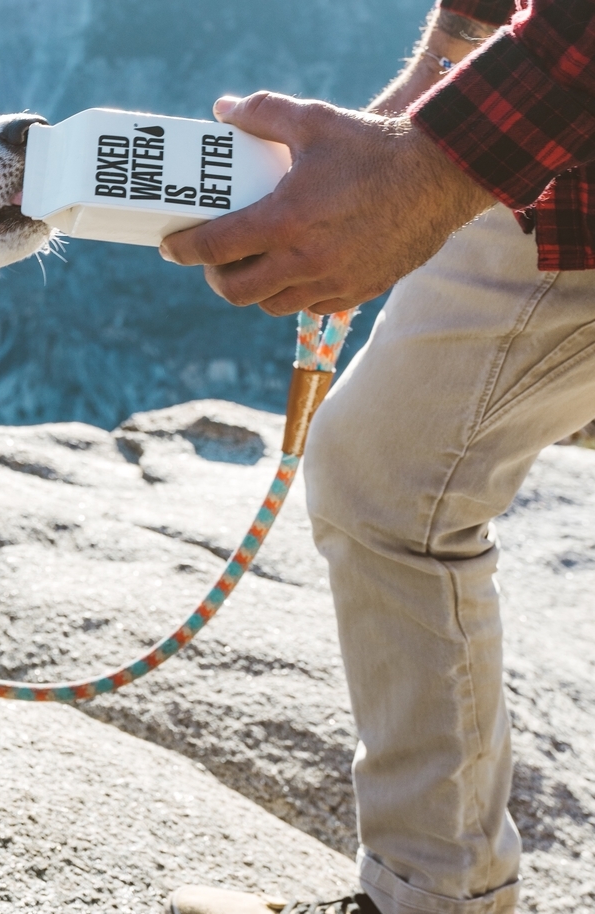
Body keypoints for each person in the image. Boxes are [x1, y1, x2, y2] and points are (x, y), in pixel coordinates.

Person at [159, 2, 595, 913]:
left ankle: (435, 900)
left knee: (390, 480)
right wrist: (431, 92)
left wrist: (423, 167)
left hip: (559, 156)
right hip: (538, 139)